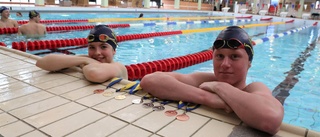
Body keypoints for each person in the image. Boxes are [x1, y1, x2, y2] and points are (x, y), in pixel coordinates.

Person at [140, 26, 284, 135]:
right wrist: (207, 98)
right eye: (219, 56)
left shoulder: (253, 89)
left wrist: (219, 86)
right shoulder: (205, 80)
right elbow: (150, 80)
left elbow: (270, 120)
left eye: (234, 57)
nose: (225, 64)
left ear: (249, 63)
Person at [36, 25, 128, 83]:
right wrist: (84, 59)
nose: (97, 53)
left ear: (114, 50)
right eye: (92, 47)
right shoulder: (86, 60)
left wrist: (85, 61)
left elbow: (94, 74)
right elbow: (41, 62)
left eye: (103, 47)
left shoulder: (119, 67)